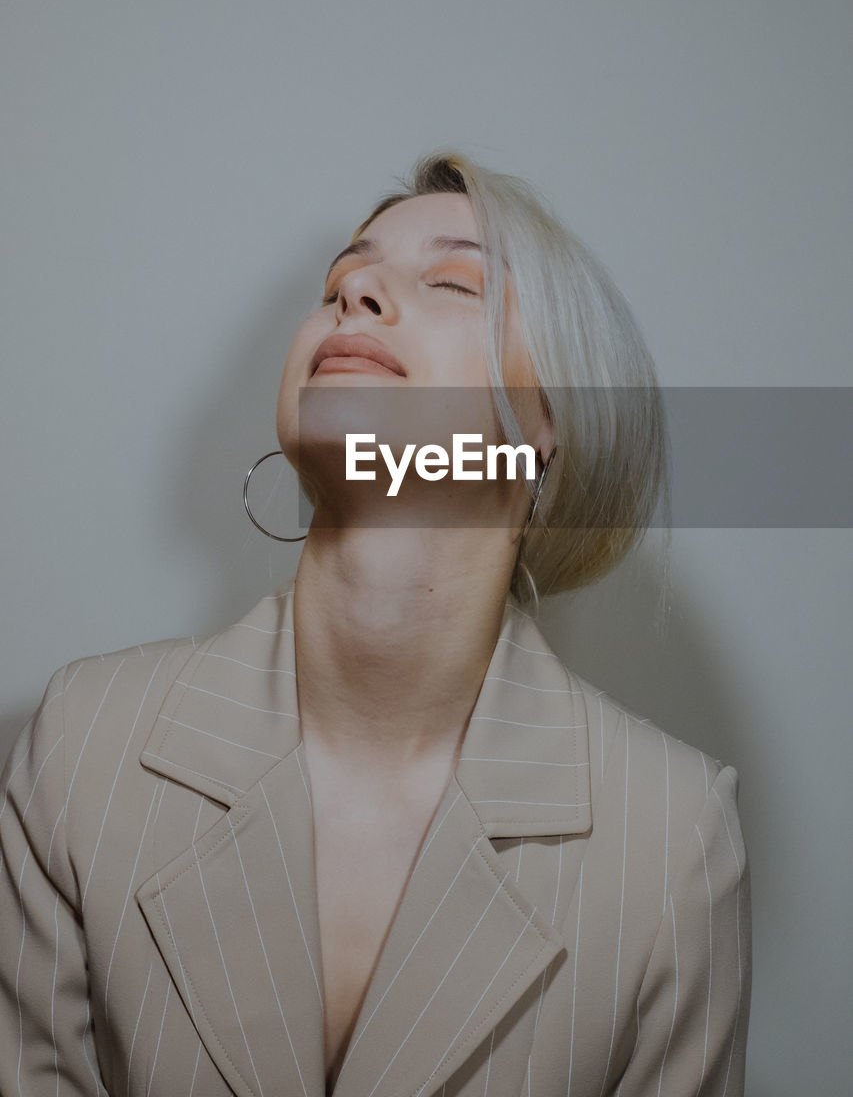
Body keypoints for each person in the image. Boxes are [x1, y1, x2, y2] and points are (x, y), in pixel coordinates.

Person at [0, 151, 751, 1096]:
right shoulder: (82, 742)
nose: (355, 290)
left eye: (450, 281)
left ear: (551, 421)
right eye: (340, 279)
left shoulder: (673, 839)